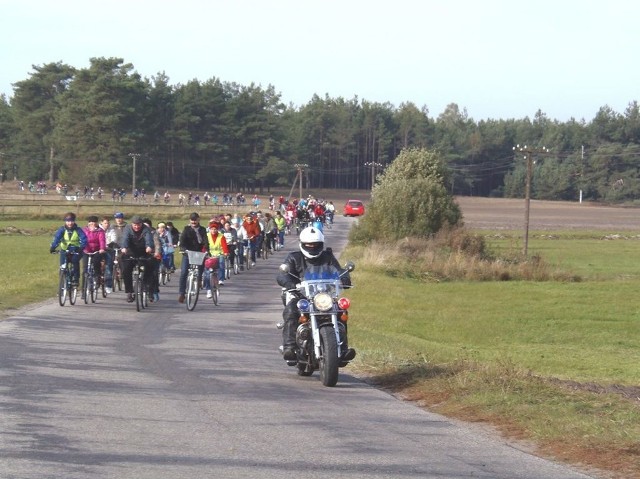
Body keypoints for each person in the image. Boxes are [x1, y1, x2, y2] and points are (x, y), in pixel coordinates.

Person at [276, 226, 356, 362]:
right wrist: (290, 284)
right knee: (291, 311)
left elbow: (338, 270)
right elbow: (282, 275)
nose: (312, 247)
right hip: (302, 297)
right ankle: (290, 348)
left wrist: (344, 278)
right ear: (302, 244)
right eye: (309, 244)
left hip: (325, 296)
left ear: (321, 244)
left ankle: (342, 349)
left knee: (341, 311)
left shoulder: (327, 257)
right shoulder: (294, 257)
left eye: (315, 245)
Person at [120, 215, 154, 303]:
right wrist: (124, 247)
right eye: (134, 225)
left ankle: (145, 285)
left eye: (138, 225)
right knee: (126, 269)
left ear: (141, 224)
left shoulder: (146, 229)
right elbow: (125, 239)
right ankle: (129, 292)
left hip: (143, 252)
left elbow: (149, 239)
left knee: (150, 266)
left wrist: (149, 247)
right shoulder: (127, 229)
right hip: (130, 252)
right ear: (132, 224)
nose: (136, 227)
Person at [50, 212, 88, 286]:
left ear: (74, 221)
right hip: (64, 250)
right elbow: (57, 239)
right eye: (68, 221)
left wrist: (81, 248)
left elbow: (84, 240)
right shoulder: (62, 230)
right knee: (62, 267)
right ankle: (62, 286)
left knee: (75, 261)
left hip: (76, 250)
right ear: (65, 221)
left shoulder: (78, 230)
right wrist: (53, 247)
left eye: (71, 221)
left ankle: (76, 279)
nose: (70, 223)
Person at [177, 212, 208, 303]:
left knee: (200, 269)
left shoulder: (202, 229)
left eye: (195, 220)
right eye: (192, 220)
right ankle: (182, 293)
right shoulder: (186, 229)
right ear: (189, 220)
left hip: (198, 253)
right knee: (183, 272)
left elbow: (205, 241)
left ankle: (198, 280)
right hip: (188, 253)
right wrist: (183, 249)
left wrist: (206, 249)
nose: (193, 222)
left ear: (198, 220)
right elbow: (182, 240)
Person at [82, 215, 106, 299]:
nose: (92, 224)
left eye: (94, 222)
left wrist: (102, 248)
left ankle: (97, 276)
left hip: (97, 250)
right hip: (86, 250)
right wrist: (83, 249)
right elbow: (83, 240)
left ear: (96, 223)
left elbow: (102, 240)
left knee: (96, 263)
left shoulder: (100, 231)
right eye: (90, 222)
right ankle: (83, 291)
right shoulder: (84, 230)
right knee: (85, 270)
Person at [204, 220, 229, 298]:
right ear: (210, 229)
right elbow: (204, 246)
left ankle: (221, 279)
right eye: (212, 229)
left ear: (217, 229)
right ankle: (208, 289)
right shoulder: (207, 236)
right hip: (209, 255)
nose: (213, 231)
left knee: (221, 263)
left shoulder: (221, 236)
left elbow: (224, 246)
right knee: (207, 273)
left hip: (219, 254)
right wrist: (204, 252)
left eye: (215, 229)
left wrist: (225, 252)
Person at [101, 216, 116, 294]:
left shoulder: (112, 230)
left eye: (108, 223)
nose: (106, 224)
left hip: (108, 249)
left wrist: (109, 245)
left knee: (109, 266)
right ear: (102, 223)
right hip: (100, 249)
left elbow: (114, 239)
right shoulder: (99, 230)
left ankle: (108, 285)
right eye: (105, 223)